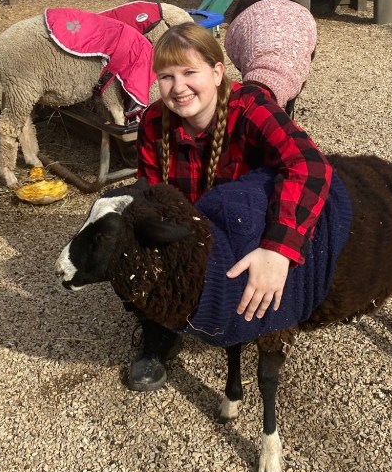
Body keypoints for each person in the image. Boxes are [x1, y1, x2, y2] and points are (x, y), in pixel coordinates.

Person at [127, 21, 333, 391]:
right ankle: (159, 333)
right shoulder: (154, 121)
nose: (178, 87)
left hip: (243, 229)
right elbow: (151, 194)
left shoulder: (251, 108)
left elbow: (309, 164)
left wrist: (277, 249)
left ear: (217, 72)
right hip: (187, 230)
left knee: (275, 273)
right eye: (166, 77)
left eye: (190, 72)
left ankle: (265, 317)